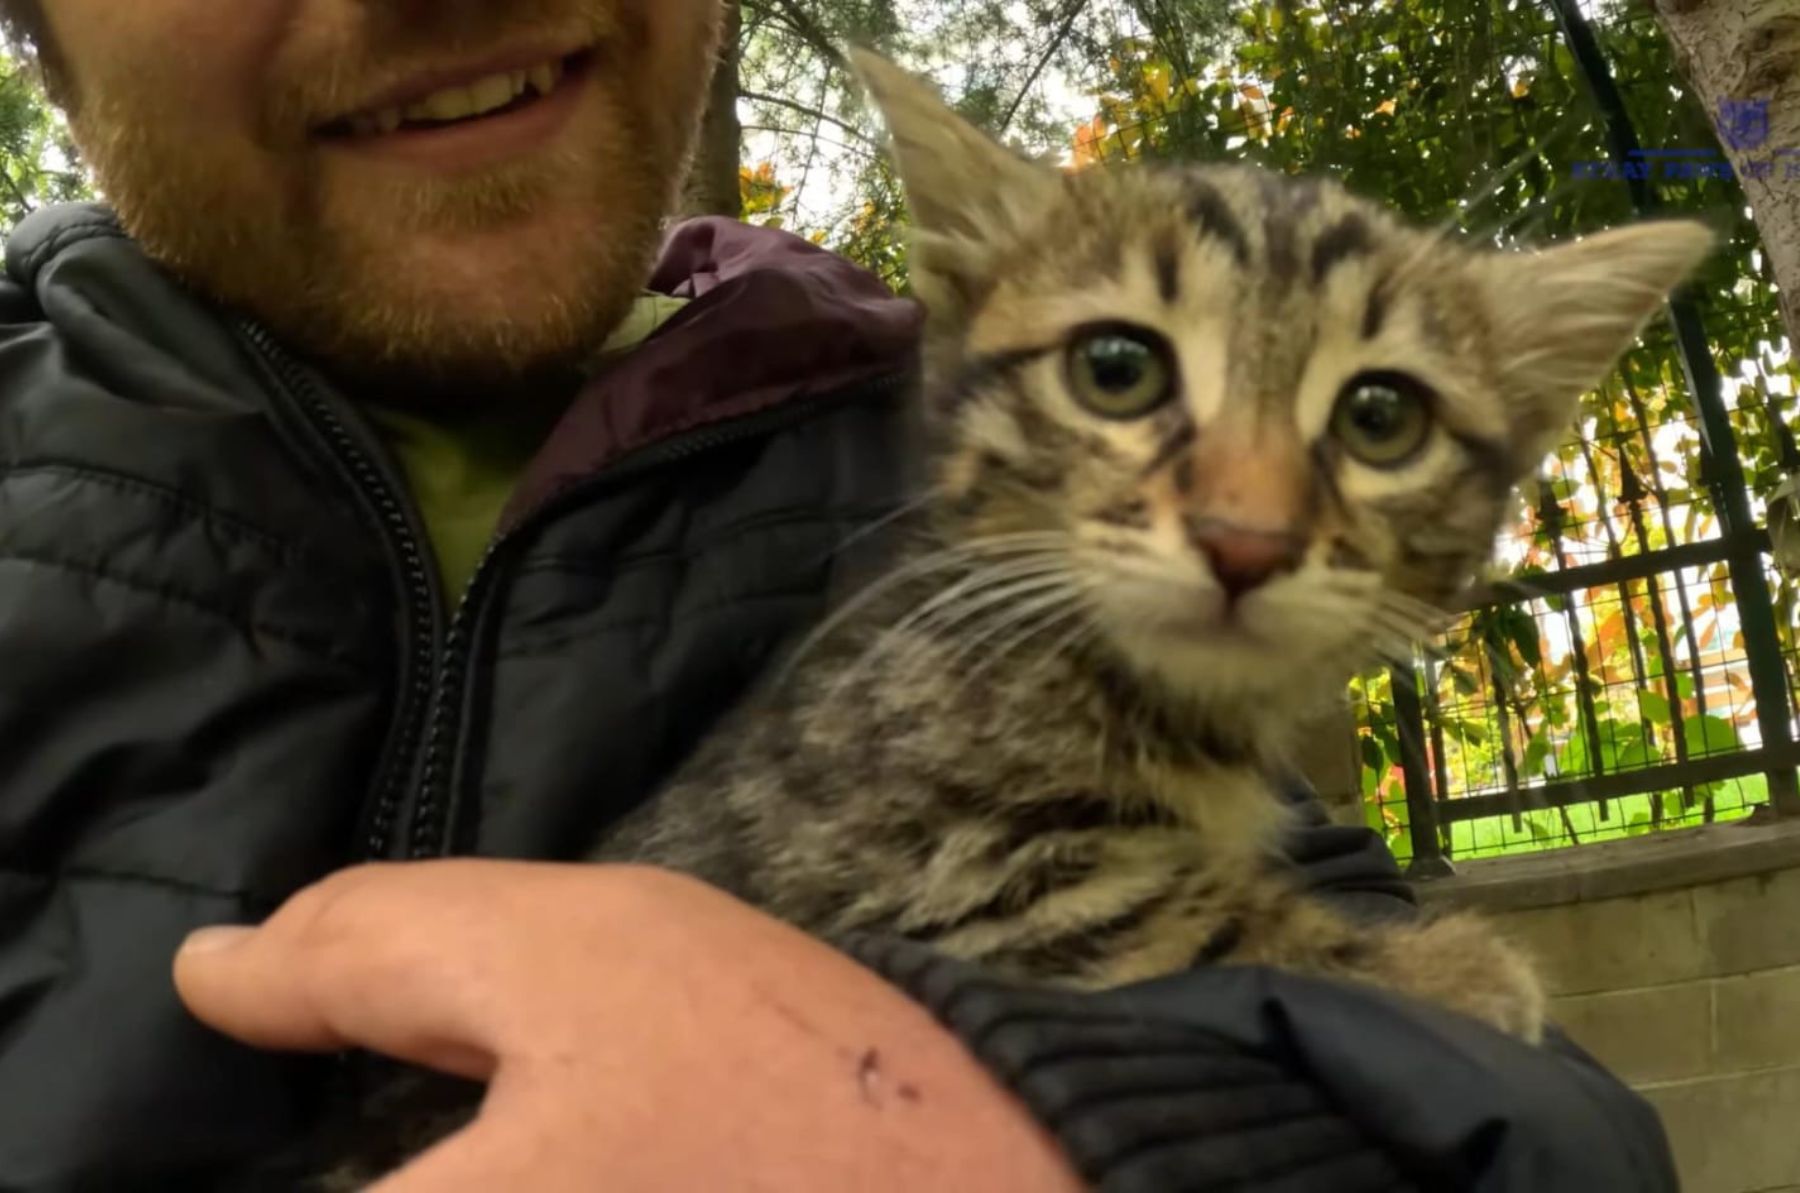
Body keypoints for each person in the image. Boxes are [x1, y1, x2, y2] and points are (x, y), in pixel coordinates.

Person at [0, 1, 1678, 1189]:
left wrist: (1080, 1128)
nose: (1242, 516)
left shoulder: (974, 556)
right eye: (1121, 369)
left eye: (1375, 419)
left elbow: (1533, 1118)